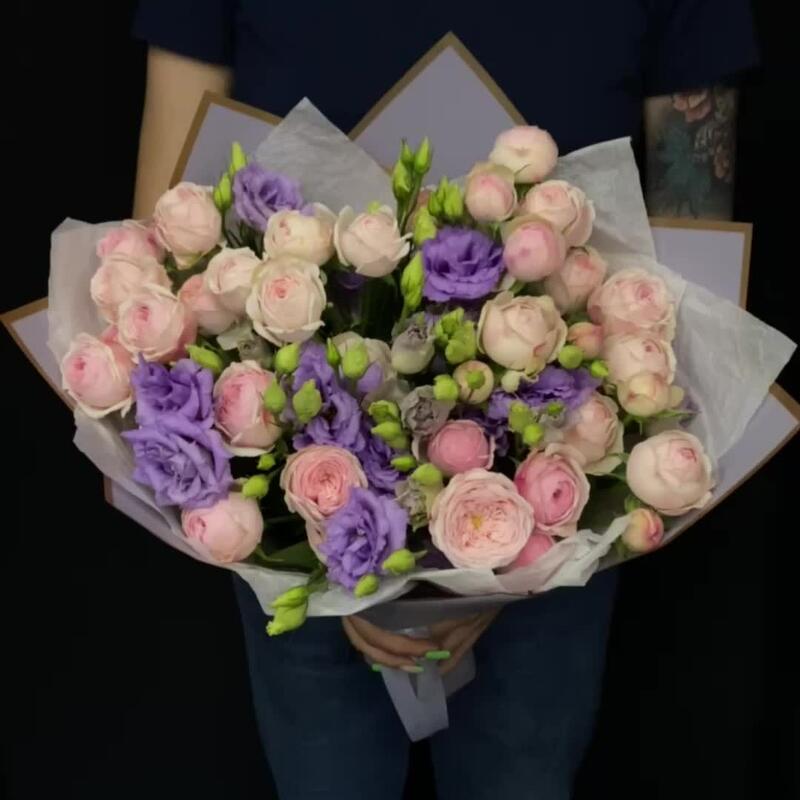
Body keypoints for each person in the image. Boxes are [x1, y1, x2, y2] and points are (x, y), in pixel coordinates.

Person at [131, 3, 758, 798]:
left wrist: (518, 558)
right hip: (288, 507)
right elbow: (162, 249)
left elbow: (694, 287)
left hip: (565, 504)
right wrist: (330, 553)